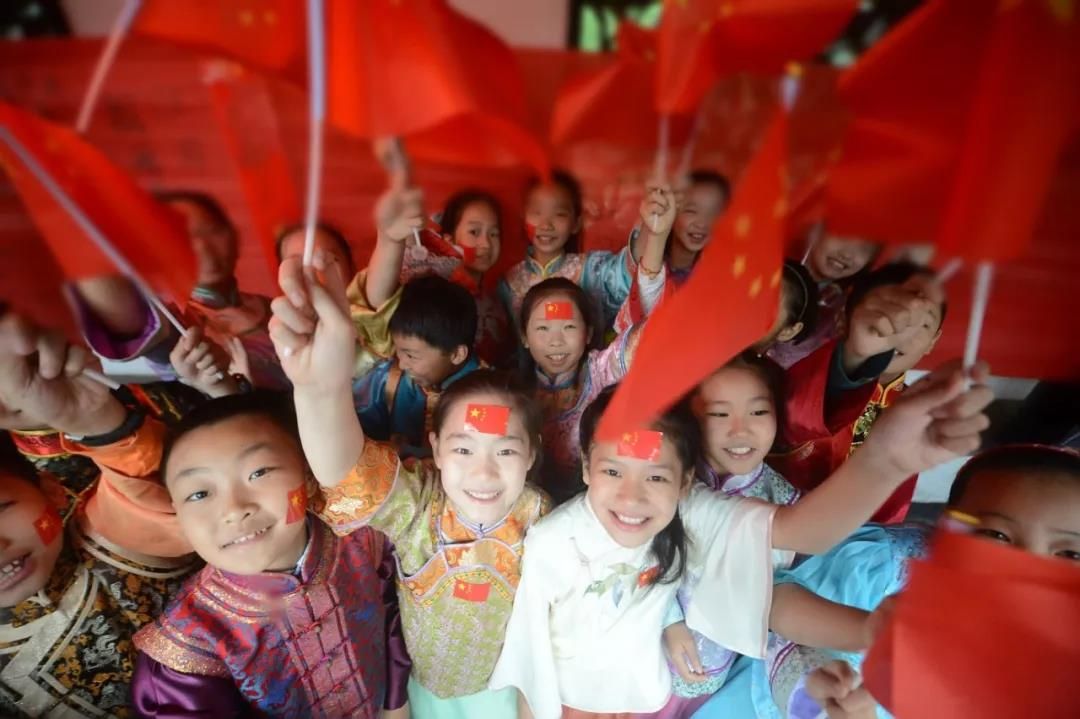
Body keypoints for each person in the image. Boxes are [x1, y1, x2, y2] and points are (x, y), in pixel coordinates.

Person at [490, 356, 993, 719]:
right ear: (585, 467)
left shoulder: (689, 508)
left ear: (686, 481)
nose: (633, 496)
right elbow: (529, 649)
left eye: (657, 476)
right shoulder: (553, 542)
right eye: (612, 471)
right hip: (570, 702)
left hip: (650, 695)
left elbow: (802, 533)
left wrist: (887, 460)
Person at [268, 252, 551, 718]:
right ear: (435, 449)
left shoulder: (542, 516)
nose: (483, 473)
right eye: (463, 450)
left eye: (504, 451)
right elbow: (348, 474)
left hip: (506, 690)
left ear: (532, 454)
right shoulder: (419, 507)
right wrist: (320, 390)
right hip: (424, 694)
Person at [130, 391, 410, 718]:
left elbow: (393, 615)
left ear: (308, 475)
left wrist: (395, 705)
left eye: (259, 472)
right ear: (177, 514)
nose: (234, 509)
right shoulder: (185, 652)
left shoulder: (363, 540)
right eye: (200, 493)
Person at [753, 444, 1080, 719]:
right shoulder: (889, 565)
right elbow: (775, 605)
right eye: (997, 535)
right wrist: (867, 631)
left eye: (1069, 553)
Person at [0, 309, 197, 718]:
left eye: (2, 509)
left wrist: (101, 423)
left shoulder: (102, 533)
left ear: (51, 491)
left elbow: (155, 492)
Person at [521, 184, 677, 502]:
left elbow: (645, 331)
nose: (555, 341)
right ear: (523, 337)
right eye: (542, 329)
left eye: (569, 327)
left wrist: (656, 237)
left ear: (589, 332)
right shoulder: (513, 389)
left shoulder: (600, 371)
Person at [769, 263, 947, 523]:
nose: (901, 332)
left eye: (923, 323)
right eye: (887, 313)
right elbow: (798, 413)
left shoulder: (917, 412)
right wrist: (855, 358)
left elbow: (893, 507)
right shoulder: (809, 382)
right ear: (844, 318)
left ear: (934, 340)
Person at [71, 190, 288, 390]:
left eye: (212, 231)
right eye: (183, 236)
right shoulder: (174, 323)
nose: (202, 247)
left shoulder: (274, 306)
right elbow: (124, 318)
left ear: (235, 236)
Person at [363, 186, 514, 368]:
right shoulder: (430, 284)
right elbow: (380, 302)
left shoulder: (497, 300)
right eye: (474, 232)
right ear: (449, 240)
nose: (486, 243)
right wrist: (390, 239)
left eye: (494, 234)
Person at [500, 170, 646, 334]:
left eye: (559, 214)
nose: (546, 225)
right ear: (523, 218)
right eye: (537, 212)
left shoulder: (593, 271)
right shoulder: (509, 284)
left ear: (576, 223)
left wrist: (651, 224)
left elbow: (630, 272)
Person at [768, 231, 879, 369]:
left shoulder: (847, 314)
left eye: (864, 247)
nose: (846, 254)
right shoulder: (769, 263)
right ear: (817, 228)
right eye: (842, 236)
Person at [664, 170, 731, 287]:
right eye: (691, 211)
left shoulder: (721, 277)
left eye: (713, 214)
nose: (702, 224)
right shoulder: (646, 257)